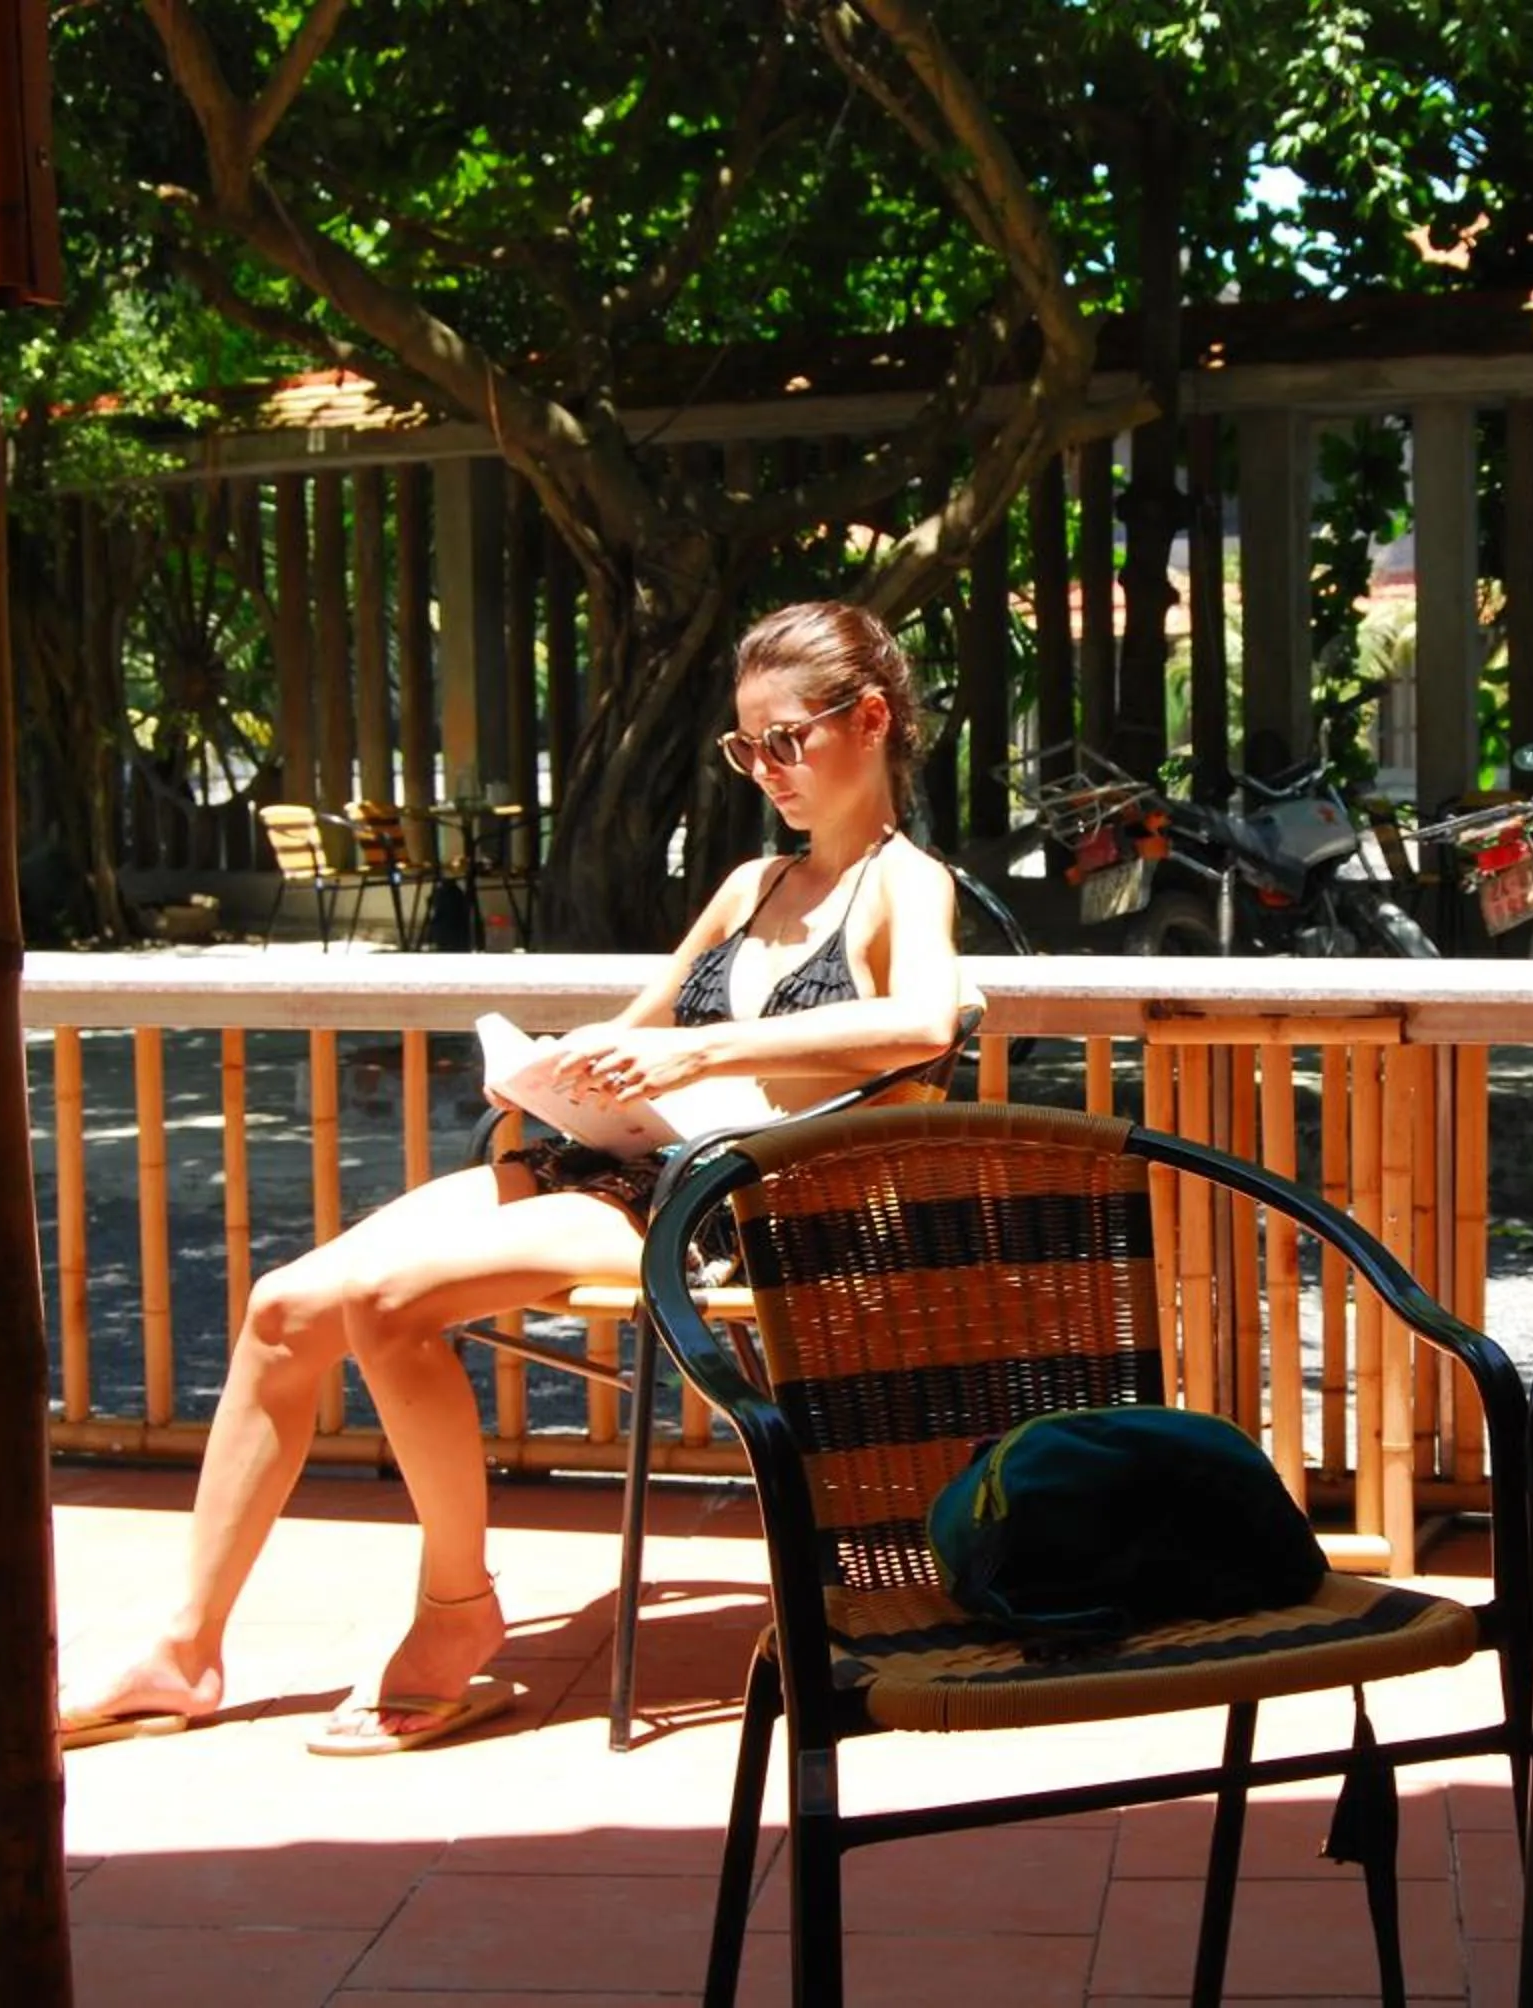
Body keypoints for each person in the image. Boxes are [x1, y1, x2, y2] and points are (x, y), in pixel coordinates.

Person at [58, 600, 975, 1756]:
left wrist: (701, 1050)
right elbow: (640, 1023)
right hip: (608, 1157)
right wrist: (549, 1071)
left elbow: (924, 1019)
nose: (766, 770)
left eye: (786, 740)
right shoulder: (749, 886)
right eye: (747, 748)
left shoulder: (904, 883)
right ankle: (183, 1650)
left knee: (392, 1304)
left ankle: (456, 1614)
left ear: (871, 719)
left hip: (724, 1201)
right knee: (285, 1305)